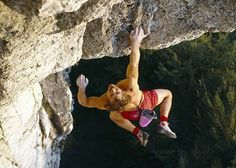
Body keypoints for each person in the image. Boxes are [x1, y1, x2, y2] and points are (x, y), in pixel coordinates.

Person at [77, 26, 176, 147]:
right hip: (146, 102)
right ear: (124, 93)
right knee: (168, 94)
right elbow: (133, 63)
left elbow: (84, 102)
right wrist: (135, 42)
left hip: (130, 114)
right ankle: (164, 123)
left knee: (114, 116)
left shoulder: (105, 102)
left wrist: (81, 89)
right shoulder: (131, 87)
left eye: (112, 94)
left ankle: (139, 132)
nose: (113, 89)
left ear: (109, 100)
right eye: (116, 92)